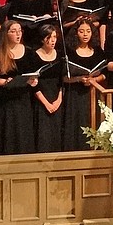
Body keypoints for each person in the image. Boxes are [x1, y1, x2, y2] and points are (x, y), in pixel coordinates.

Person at [0, 21, 39, 155]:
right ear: (5, 34)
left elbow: (35, 74)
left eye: (19, 30)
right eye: (13, 31)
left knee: (21, 135)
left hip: (21, 102)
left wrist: (34, 81)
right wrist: (3, 82)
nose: (18, 34)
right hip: (1, 102)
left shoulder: (29, 52)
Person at [62, 20, 105, 151]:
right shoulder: (69, 52)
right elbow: (64, 78)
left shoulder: (98, 51)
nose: (85, 34)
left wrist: (94, 79)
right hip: (75, 95)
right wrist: (79, 79)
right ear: (76, 33)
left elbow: (105, 74)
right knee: (76, 125)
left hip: (93, 93)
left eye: (88, 31)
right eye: (81, 31)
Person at [33, 24, 64, 152]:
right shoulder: (34, 56)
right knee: (43, 134)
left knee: (56, 133)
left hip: (56, 97)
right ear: (42, 39)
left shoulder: (61, 55)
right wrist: (46, 104)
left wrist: (59, 100)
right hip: (41, 99)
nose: (53, 40)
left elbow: (62, 81)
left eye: (54, 37)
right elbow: (34, 84)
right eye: (49, 37)